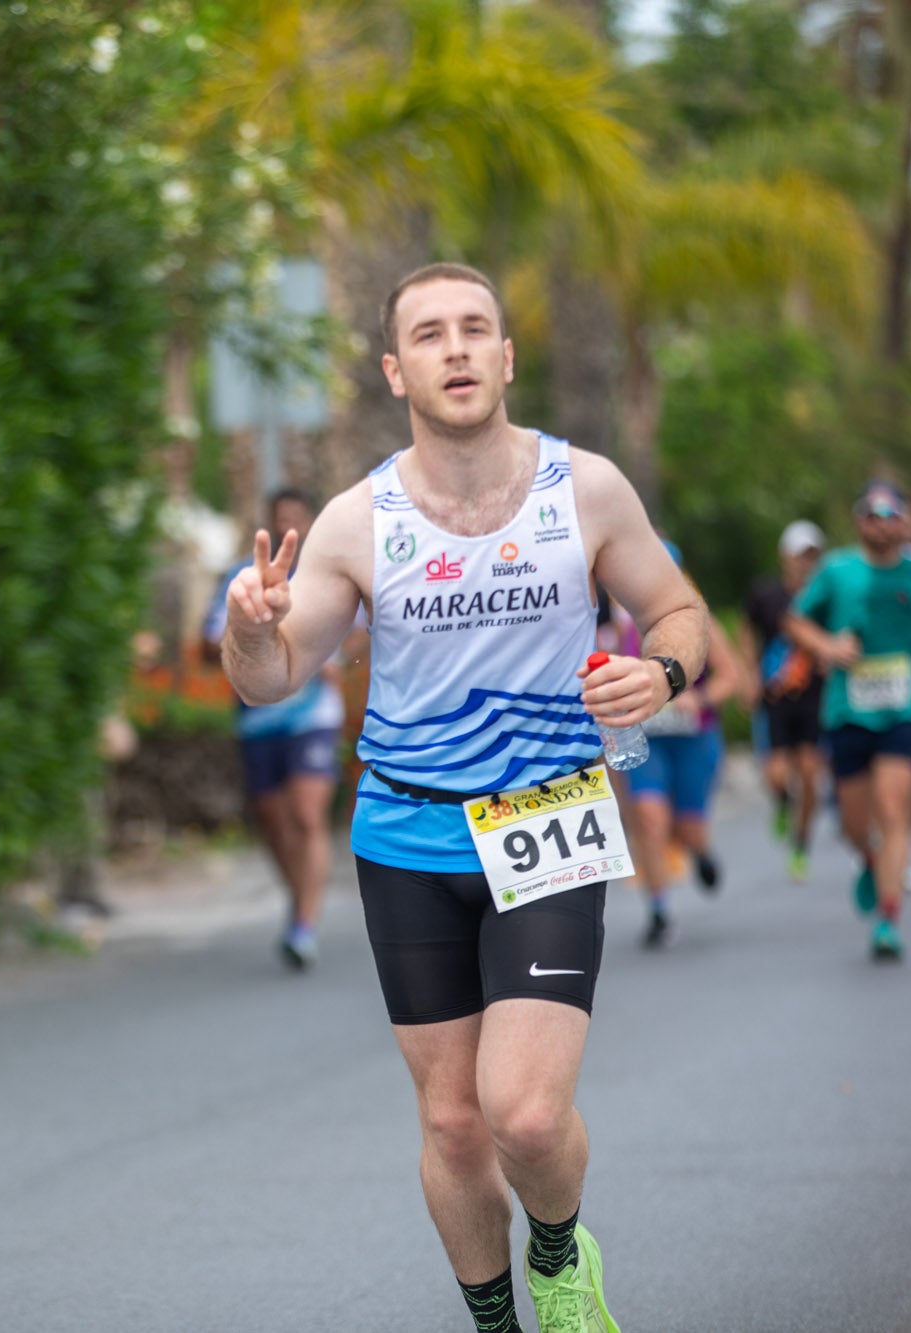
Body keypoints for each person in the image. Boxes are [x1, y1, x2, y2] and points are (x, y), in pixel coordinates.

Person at [222, 263, 707, 1333]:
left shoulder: (582, 489)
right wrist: (248, 626)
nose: (454, 348)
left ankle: (554, 1248)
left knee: (524, 1116)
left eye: (473, 329)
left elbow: (677, 610)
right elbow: (267, 676)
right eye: (429, 334)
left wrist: (661, 672)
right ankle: (492, 1320)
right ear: (395, 369)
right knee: (450, 1124)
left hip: (546, 816)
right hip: (404, 831)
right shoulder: (357, 520)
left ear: (504, 356)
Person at [784, 481, 911, 962]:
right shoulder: (837, 570)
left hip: (906, 707)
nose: (882, 523)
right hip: (848, 711)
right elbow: (796, 620)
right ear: (860, 521)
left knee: (895, 806)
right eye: (872, 514)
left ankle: (889, 917)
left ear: (907, 521)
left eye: (891, 513)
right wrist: (828, 647)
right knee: (855, 823)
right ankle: (872, 859)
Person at [203, 488, 365, 969]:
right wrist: (252, 625)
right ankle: (299, 900)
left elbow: (362, 626)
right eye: (282, 519)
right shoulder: (243, 575)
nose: (291, 525)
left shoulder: (334, 572)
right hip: (259, 717)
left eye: (299, 517)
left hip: (314, 717)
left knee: (307, 815)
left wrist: (333, 658)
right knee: (274, 824)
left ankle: (305, 923)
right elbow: (211, 636)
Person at [618, 545, 745, 948]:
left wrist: (698, 698)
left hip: (693, 739)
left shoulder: (698, 621)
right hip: (647, 742)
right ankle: (658, 909)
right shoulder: (620, 627)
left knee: (686, 828)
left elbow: (731, 677)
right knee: (650, 818)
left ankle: (700, 851)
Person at [741, 521, 827, 881]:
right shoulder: (766, 594)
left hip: (815, 697)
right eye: (800, 555)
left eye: (812, 556)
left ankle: (801, 844)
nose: (805, 563)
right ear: (785, 557)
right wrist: (749, 676)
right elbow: (747, 630)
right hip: (775, 697)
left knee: (809, 775)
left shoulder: (825, 596)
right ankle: (781, 802)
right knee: (776, 775)